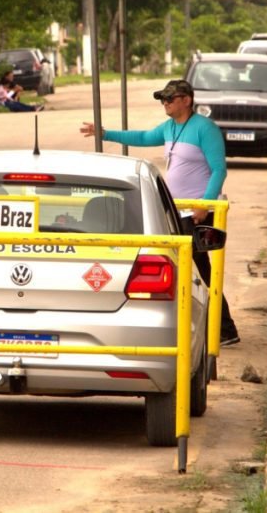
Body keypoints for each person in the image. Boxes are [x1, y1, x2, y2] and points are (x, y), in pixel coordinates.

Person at [80, 79, 240, 345]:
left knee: (200, 272)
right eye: (162, 99)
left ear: (186, 100)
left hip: (197, 213)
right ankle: (201, 324)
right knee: (184, 271)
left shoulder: (204, 128)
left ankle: (225, 329)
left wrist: (204, 204)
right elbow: (143, 137)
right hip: (178, 212)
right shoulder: (170, 127)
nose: (165, 103)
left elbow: (218, 170)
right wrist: (105, 134)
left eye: (169, 99)